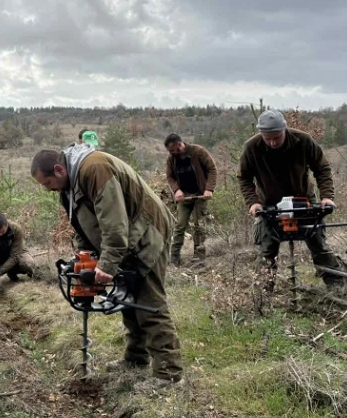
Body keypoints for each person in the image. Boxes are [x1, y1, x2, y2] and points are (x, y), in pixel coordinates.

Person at [31, 144, 183, 386]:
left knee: (148, 301)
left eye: (47, 183)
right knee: (127, 298)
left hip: (147, 233)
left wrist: (107, 266)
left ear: (59, 170)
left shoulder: (95, 169)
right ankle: (136, 357)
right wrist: (85, 257)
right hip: (126, 238)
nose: (48, 190)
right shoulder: (68, 186)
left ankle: (169, 374)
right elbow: (82, 225)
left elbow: (115, 224)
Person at [238, 110, 341, 286]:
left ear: (284, 129)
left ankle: (337, 287)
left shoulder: (304, 141)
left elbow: (322, 169)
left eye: (276, 137)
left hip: (304, 201)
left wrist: (327, 197)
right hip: (269, 206)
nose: (272, 142)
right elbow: (244, 177)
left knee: (319, 246)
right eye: (267, 138)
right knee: (266, 252)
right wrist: (253, 202)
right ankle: (262, 296)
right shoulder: (252, 147)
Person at [164, 134, 217, 265]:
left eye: (172, 150)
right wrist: (177, 190)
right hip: (185, 196)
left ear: (179, 145)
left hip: (200, 194)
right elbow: (170, 177)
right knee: (180, 225)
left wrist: (209, 189)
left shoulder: (198, 151)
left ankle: (199, 256)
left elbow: (212, 169)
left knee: (199, 225)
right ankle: (174, 257)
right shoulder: (171, 159)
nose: (171, 153)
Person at [0, 213, 36, 290]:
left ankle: (12, 272)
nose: (0, 234)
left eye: (2, 231)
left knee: (28, 263)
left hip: (14, 254)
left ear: (7, 225)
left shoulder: (16, 229)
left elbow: (15, 256)